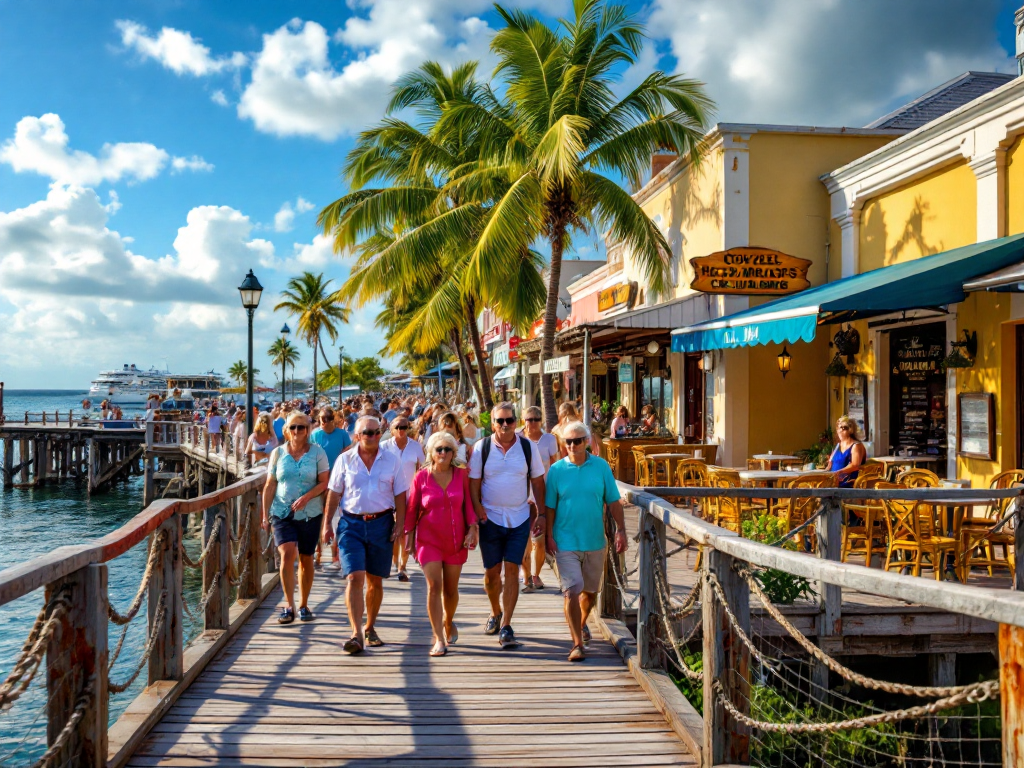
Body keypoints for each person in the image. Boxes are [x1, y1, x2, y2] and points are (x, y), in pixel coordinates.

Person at [324, 416, 409, 654]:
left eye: (376, 432)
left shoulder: (392, 460)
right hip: (351, 523)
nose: (373, 436)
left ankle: (370, 627)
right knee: (354, 577)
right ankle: (356, 633)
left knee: (375, 580)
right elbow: (334, 493)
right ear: (357, 436)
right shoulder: (345, 460)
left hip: (382, 523)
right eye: (367, 432)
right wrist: (326, 524)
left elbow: (400, 494)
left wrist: (400, 524)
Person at [545, 421, 627, 661]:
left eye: (578, 441)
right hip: (565, 540)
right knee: (572, 590)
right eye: (568, 441)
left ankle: (580, 624)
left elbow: (613, 501)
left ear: (587, 442)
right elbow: (550, 507)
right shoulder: (556, 470)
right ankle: (577, 644)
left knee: (590, 593)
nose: (573, 445)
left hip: (594, 540)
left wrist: (621, 530)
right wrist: (549, 536)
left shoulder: (601, 467)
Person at [469, 403, 546, 649]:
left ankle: (506, 625)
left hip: (519, 517)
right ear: (492, 423)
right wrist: (477, 510)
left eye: (509, 420)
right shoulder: (482, 448)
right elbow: (473, 483)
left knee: (512, 569)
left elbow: (538, 482)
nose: (505, 425)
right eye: (500, 421)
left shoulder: (528, 447)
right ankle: (495, 611)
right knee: (492, 574)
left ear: (516, 422)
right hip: (490, 518)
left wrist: (541, 513)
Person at [404, 432, 479, 656]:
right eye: (439, 449)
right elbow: (412, 508)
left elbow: (468, 504)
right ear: (431, 452)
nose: (443, 453)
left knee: (451, 590)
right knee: (434, 587)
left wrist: (472, 527)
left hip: (456, 540)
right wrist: (408, 535)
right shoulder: (421, 477)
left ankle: (448, 620)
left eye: (448, 449)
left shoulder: (461, 475)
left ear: (454, 453)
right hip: (429, 540)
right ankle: (438, 638)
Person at [261, 412, 331, 624]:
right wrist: (264, 515)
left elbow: (324, 482)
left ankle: (304, 604)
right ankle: (289, 605)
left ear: (308, 430)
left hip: (310, 513)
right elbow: (270, 484)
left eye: (301, 427)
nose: (297, 431)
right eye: (293, 427)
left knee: (306, 558)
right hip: (282, 511)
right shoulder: (278, 453)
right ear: (286, 431)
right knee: (286, 553)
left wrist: (306, 497)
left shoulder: (318, 452)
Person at [517, 406, 561, 591]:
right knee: (523, 538)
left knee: (539, 540)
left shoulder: (549, 439)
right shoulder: (517, 438)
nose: (533, 423)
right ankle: (526, 575)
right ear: (524, 420)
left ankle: (536, 574)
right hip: (520, 494)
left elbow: (555, 466)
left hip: (542, 493)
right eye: (529, 419)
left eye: (536, 419)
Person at [382, 416, 425, 582]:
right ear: (391, 429)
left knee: (406, 530)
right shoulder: (384, 447)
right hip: (389, 494)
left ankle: (402, 566)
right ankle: (394, 561)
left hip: (409, 494)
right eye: (398, 427)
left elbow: (423, 468)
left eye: (404, 427)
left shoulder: (415, 446)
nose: (401, 430)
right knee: (392, 530)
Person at [829, 415, 866, 488]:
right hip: (834, 484)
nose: (840, 431)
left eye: (844, 428)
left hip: (848, 485)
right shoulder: (837, 446)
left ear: (850, 430)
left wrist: (838, 472)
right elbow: (830, 464)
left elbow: (855, 465)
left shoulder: (856, 446)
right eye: (838, 428)